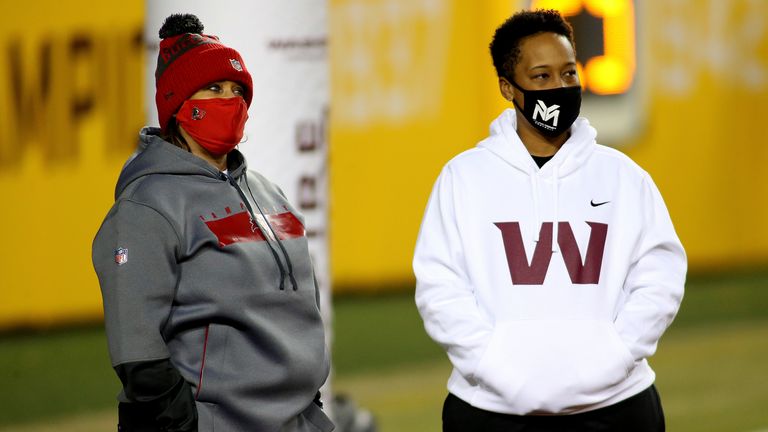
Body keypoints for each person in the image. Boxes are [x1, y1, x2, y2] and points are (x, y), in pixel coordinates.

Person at [413, 9, 686, 432]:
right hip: (491, 410)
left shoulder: (624, 176)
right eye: (540, 76)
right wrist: (496, 367)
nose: (559, 87)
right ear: (508, 87)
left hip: (617, 406)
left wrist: (615, 356)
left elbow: (661, 277)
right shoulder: (463, 178)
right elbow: (440, 288)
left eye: (568, 73)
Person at [92, 14, 334, 432]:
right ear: (179, 102)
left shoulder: (268, 193)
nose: (232, 100)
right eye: (215, 88)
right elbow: (137, 349)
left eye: (238, 90)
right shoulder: (148, 205)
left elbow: (299, 310)